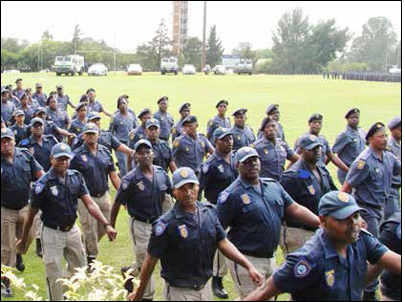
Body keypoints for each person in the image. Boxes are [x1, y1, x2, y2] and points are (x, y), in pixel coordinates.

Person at [127, 167, 264, 301]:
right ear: (174, 191)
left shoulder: (209, 213)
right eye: (182, 188)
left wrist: (248, 266)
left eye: (191, 186)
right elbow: (150, 261)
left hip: (204, 290)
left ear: (198, 186)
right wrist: (139, 293)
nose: (188, 192)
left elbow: (223, 242)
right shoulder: (166, 225)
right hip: (180, 293)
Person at [243, 191, 401, 301]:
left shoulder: (361, 239)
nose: (354, 224)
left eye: (356, 216)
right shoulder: (308, 259)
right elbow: (263, 293)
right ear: (323, 220)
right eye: (343, 219)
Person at [16, 143, 117, 301]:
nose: (63, 162)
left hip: (72, 231)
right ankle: (56, 295)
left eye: (66, 159)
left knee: (81, 270)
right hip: (51, 233)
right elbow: (31, 215)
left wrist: (106, 224)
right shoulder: (42, 184)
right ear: (51, 159)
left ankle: (63, 290)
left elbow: (90, 203)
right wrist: (23, 240)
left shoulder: (75, 177)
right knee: (53, 274)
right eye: (60, 159)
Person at [217, 147, 320, 299]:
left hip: (270, 257)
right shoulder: (231, 195)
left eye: (255, 160)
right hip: (247, 258)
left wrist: (320, 222)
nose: (252, 164)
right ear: (237, 165)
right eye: (246, 162)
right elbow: (219, 232)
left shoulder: (273, 186)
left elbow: (295, 209)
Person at [341, 122, 401, 301]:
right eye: (380, 136)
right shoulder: (363, 161)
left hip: (384, 209)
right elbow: (346, 188)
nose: (384, 139)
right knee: (374, 253)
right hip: (367, 212)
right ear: (369, 140)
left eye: (385, 136)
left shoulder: (388, 157)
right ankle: (369, 293)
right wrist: (351, 215)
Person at [110, 139, 172, 301]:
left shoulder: (161, 174)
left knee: (157, 259)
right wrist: (111, 226)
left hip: (159, 224)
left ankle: (129, 272)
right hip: (140, 225)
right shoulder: (130, 179)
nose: (145, 155)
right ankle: (147, 297)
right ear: (135, 156)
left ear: (153, 154)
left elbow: (171, 195)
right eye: (141, 153)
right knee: (146, 262)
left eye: (148, 152)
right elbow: (117, 203)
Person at [1, 128, 44, 297]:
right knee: (6, 248)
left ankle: (19, 254)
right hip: (5, 209)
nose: (5, 144)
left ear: (14, 140)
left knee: (29, 237)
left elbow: (41, 175)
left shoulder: (25, 156)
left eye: (8, 140)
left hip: (25, 207)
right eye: (2, 142)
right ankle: (6, 283)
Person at [71, 123, 121, 267]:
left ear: (98, 134)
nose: (91, 136)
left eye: (93, 133)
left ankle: (83, 245)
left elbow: (114, 176)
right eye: (88, 133)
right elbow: (71, 176)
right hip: (86, 198)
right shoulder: (77, 155)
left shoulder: (105, 152)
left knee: (104, 226)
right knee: (90, 230)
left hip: (104, 196)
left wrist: (122, 195)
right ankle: (91, 261)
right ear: (84, 136)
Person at [280, 134, 337, 255]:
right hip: (298, 231)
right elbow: (284, 207)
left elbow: (332, 192)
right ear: (301, 151)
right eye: (312, 149)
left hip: (319, 228)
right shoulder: (293, 175)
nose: (317, 152)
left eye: (318, 148)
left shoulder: (321, 168)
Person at [198, 127, 238, 299]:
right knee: (219, 246)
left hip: (235, 208)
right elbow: (200, 188)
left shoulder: (236, 158)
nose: (229, 141)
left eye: (230, 138)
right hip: (216, 208)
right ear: (216, 142)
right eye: (224, 139)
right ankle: (216, 279)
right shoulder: (210, 164)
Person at [332, 108, 366, 184]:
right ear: (347, 119)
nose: (355, 120)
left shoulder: (361, 131)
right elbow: (331, 153)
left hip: (360, 169)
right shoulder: (344, 135)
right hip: (347, 171)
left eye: (356, 117)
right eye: (352, 118)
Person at [109, 96, 137, 177]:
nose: (123, 105)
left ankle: (122, 175)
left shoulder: (132, 115)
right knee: (124, 166)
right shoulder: (115, 118)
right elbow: (110, 132)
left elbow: (136, 128)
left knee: (132, 165)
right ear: (118, 106)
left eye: (124, 103)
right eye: (121, 104)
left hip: (131, 144)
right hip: (120, 145)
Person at [385, 116, 401, 219]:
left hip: (396, 188)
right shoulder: (388, 147)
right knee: (391, 218)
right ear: (392, 131)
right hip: (390, 189)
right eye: (400, 130)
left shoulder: (399, 145)